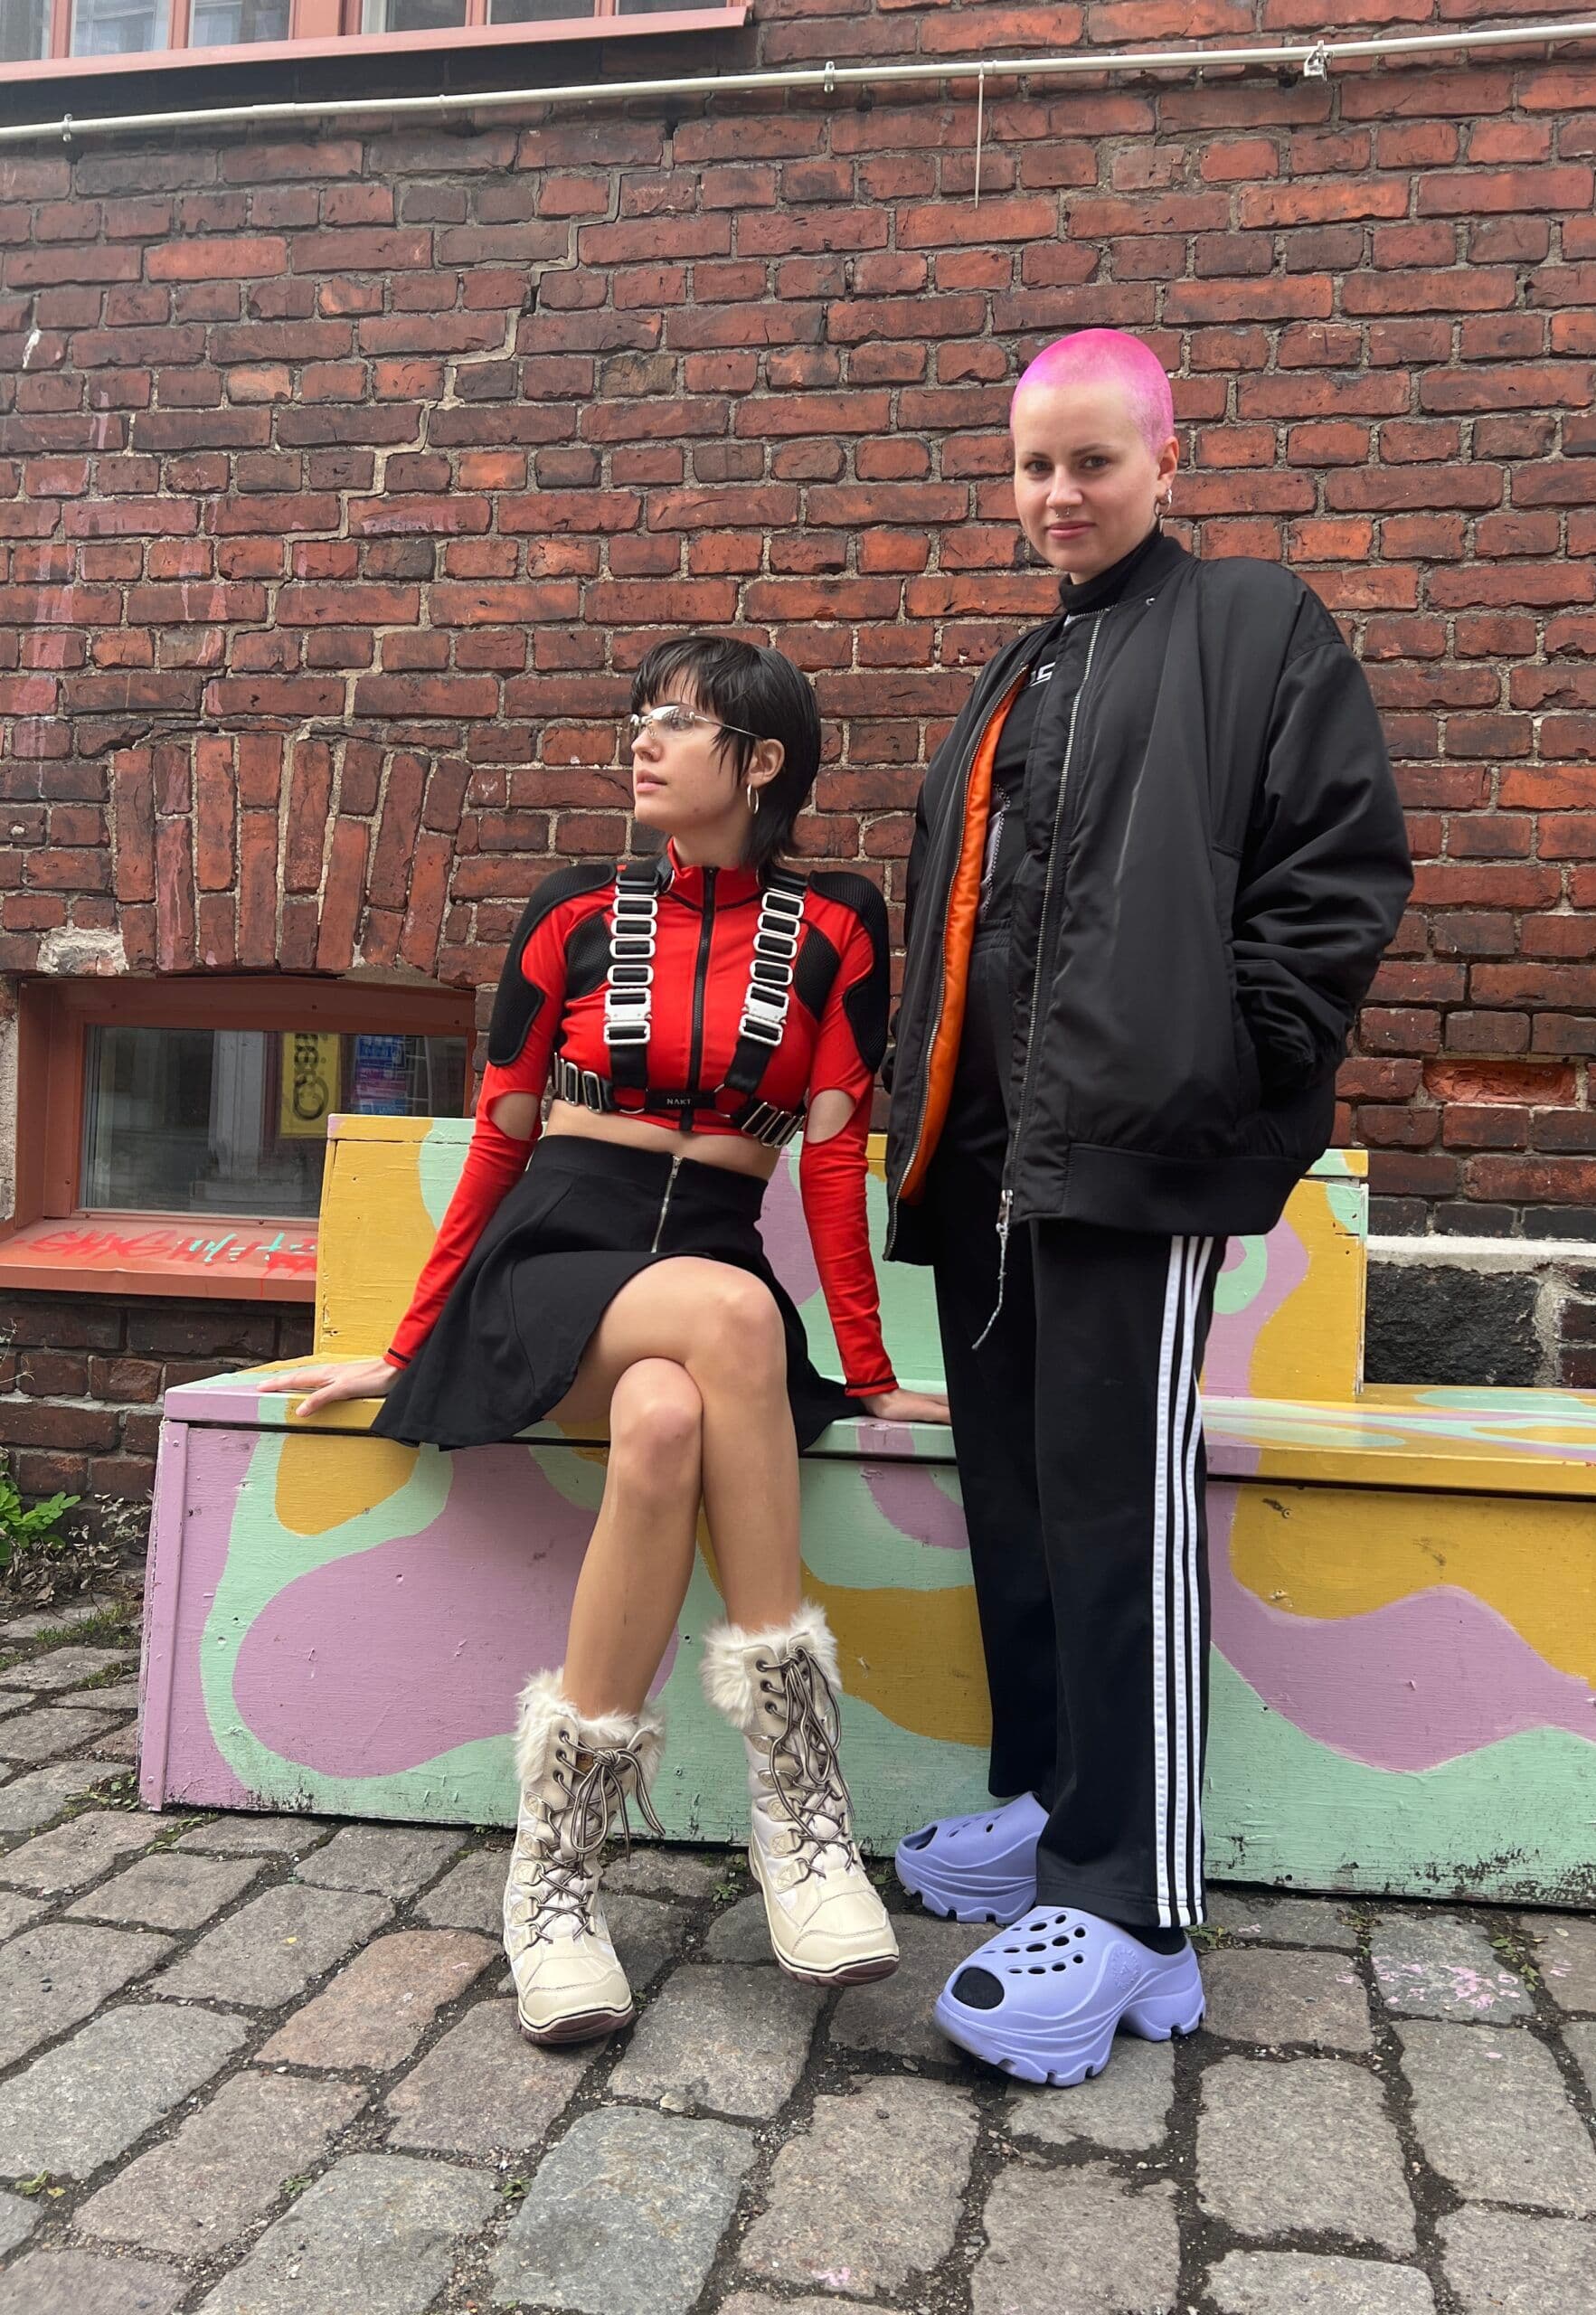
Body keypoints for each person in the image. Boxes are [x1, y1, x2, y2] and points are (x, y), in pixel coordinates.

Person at [276, 635, 948, 2047]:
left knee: (667, 1420)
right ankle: (800, 1805)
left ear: (762, 762)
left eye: (679, 723)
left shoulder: (839, 924)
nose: (642, 742)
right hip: (556, 1258)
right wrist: (411, 1340)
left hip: (707, 1265)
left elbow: (837, 1162)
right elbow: (500, 1137)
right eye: (640, 718)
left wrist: (876, 1375)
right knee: (730, 1314)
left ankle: (557, 1878)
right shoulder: (573, 910)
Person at [884, 329, 1412, 2086]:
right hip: (991, 1168)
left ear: (1168, 460)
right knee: (1025, 1503)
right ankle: (1060, 1807)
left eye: (1094, 461)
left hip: (1134, 1152)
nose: (1060, 493)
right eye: (1035, 464)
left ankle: (1136, 1909)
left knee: (1119, 1514)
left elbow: (1336, 871)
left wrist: (1233, 1064)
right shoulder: (1023, 665)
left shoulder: (1255, 624)